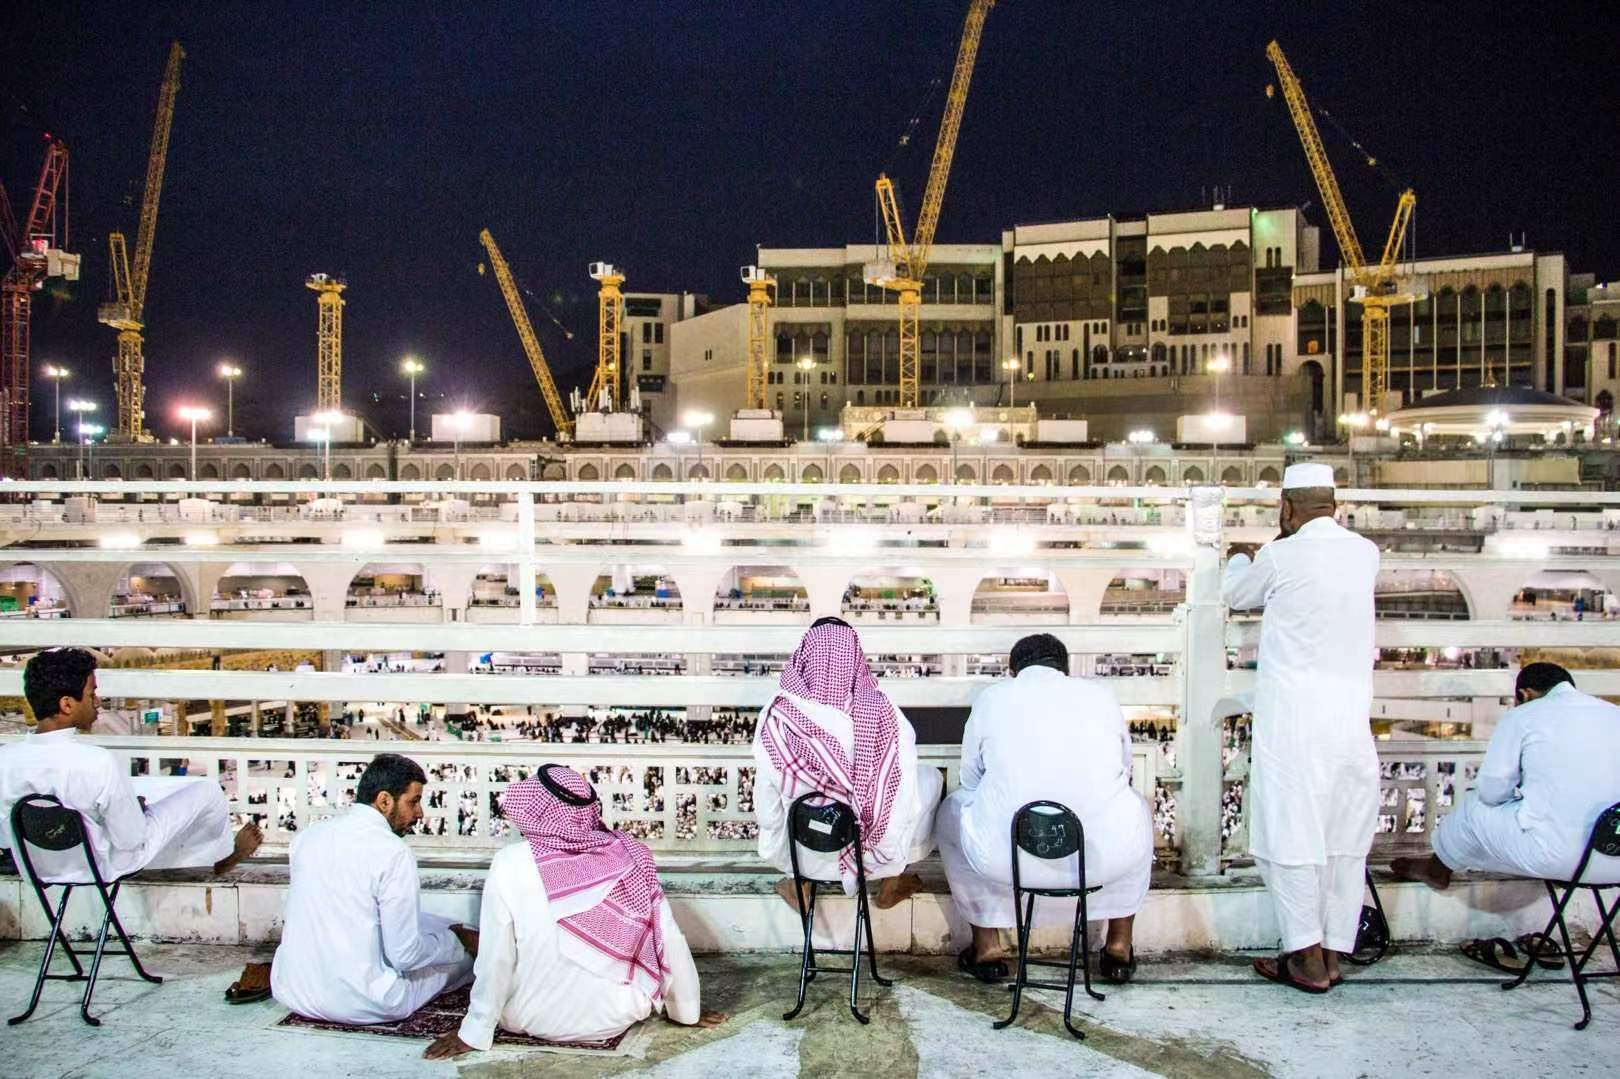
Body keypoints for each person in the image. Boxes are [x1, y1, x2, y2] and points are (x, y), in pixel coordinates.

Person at [423, 767, 723, 1060]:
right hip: (617, 1014)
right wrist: (686, 1009)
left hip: (529, 1016)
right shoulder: (630, 854)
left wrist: (474, 1030)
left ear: (535, 810)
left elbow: (496, 956)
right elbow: (667, 939)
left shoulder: (509, 862)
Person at [1223, 462, 1380, 994]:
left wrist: (1238, 559)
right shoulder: (1366, 553)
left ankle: (1306, 959)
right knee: (1343, 838)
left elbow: (1238, 596)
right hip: (1351, 717)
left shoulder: (1279, 554)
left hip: (1295, 719)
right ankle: (1334, 953)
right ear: (1333, 504)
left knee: (1290, 834)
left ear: (1285, 509)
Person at [936, 633, 1153, 984]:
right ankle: (1119, 947)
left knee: (952, 811)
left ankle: (987, 948)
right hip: (1098, 858)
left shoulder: (992, 698)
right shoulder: (1101, 697)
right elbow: (1123, 770)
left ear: (1013, 670)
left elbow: (970, 779)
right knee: (1137, 811)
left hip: (1008, 860)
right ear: (1065, 669)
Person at [0, 648, 260, 883]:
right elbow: (131, 840)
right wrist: (135, 814)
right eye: (92, 694)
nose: (98, 702)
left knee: (138, 802)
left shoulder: (5, 760)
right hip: (101, 867)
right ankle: (224, 857)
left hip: (35, 869)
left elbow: (4, 836)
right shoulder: (96, 762)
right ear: (67, 704)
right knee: (206, 792)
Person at [752, 617, 943, 909]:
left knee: (786, 797)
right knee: (927, 781)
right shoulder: (883, 714)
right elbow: (904, 801)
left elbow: (768, 814)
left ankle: (798, 883)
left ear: (803, 656)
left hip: (802, 854)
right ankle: (893, 879)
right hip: (870, 855)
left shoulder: (778, 715)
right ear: (855, 657)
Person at [271, 753, 477, 1023]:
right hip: (361, 1002)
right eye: (413, 801)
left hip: (293, 992)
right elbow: (405, 957)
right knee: (465, 960)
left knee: (435, 925)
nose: (420, 813)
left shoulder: (306, 838)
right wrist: (456, 943)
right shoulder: (393, 851)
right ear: (384, 801)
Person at [1393, 663, 1620, 890]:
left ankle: (1437, 870)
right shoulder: (1614, 713)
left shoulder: (1523, 715)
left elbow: (1492, 791)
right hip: (1615, 860)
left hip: (1561, 859)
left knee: (1472, 807)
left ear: (1524, 694)